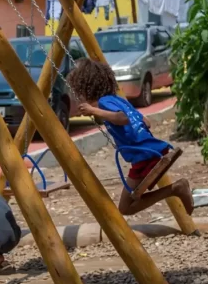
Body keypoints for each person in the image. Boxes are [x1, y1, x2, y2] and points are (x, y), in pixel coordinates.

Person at [66, 58, 194, 216]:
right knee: (129, 202)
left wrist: (94, 111)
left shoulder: (104, 102)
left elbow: (123, 118)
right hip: (153, 149)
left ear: (86, 89)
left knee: (125, 207)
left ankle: (176, 188)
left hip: (144, 157)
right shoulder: (118, 100)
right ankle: (176, 189)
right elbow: (145, 121)